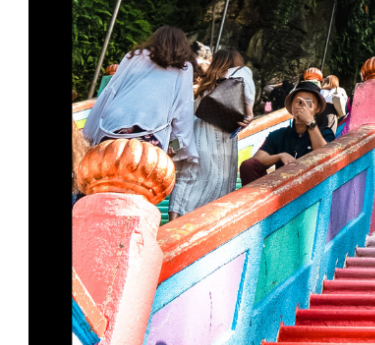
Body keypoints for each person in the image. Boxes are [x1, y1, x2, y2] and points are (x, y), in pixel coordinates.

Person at [83, 26, 197, 163]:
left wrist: (89, 133)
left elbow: (110, 91)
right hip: (149, 135)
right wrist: (175, 145)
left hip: (112, 127)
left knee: (105, 175)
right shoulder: (184, 67)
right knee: (138, 180)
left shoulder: (135, 55)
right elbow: (184, 111)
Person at [167, 48, 254, 219]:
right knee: (218, 190)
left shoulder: (200, 92)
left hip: (195, 147)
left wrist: (172, 145)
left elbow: (185, 125)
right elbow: (246, 77)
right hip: (222, 153)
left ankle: (172, 226)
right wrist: (250, 113)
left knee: (185, 182)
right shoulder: (238, 85)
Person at [239, 81, 336, 184]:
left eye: (308, 103)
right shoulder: (278, 135)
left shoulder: (325, 133)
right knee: (247, 166)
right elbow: (256, 161)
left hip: (311, 190)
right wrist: (280, 156)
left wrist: (310, 122)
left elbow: (326, 158)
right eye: (299, 102)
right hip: (279, 190)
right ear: (291, 107)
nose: (303, 107)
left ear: (318, 108)